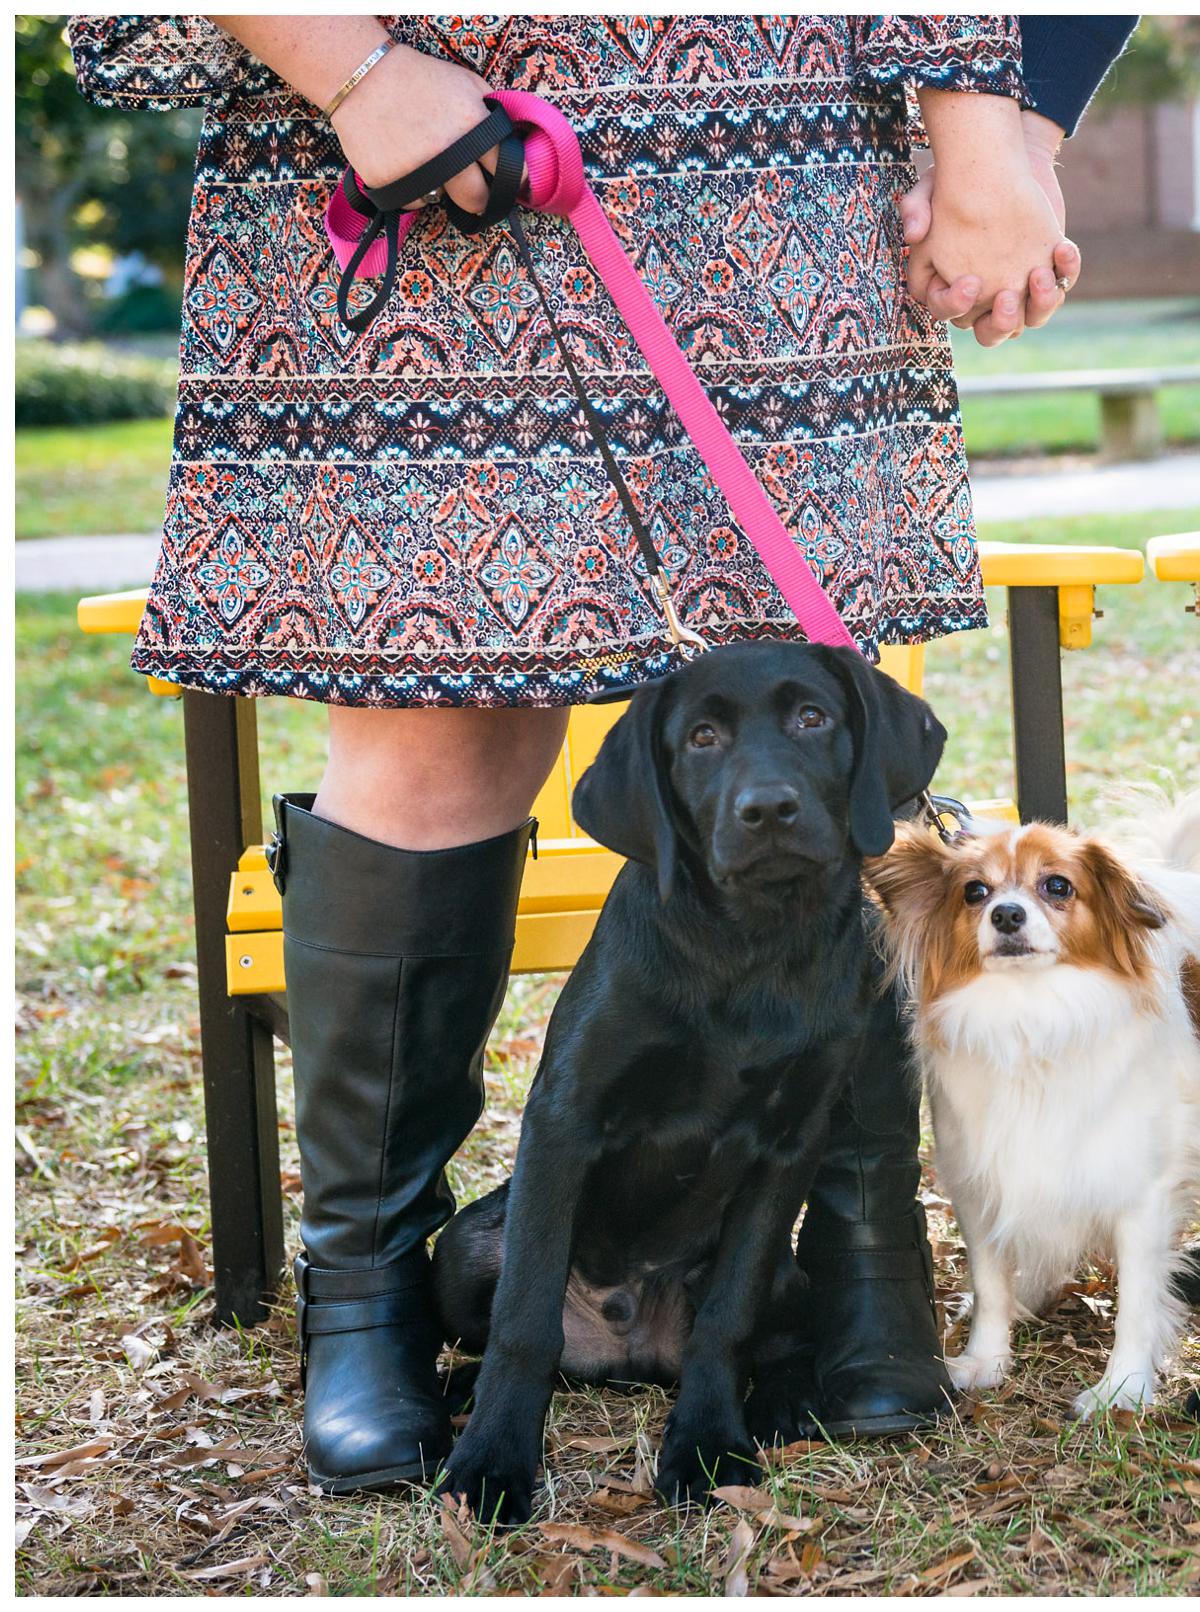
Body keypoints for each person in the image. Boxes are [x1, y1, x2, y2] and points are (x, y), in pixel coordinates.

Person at [66, 13, 1097, 1495]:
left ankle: (865, 1265)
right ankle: (367, 1297)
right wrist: (356, 75)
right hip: (423, 135)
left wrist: (992, 131)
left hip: (768, 164)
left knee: (791, 704)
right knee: (431, 721)